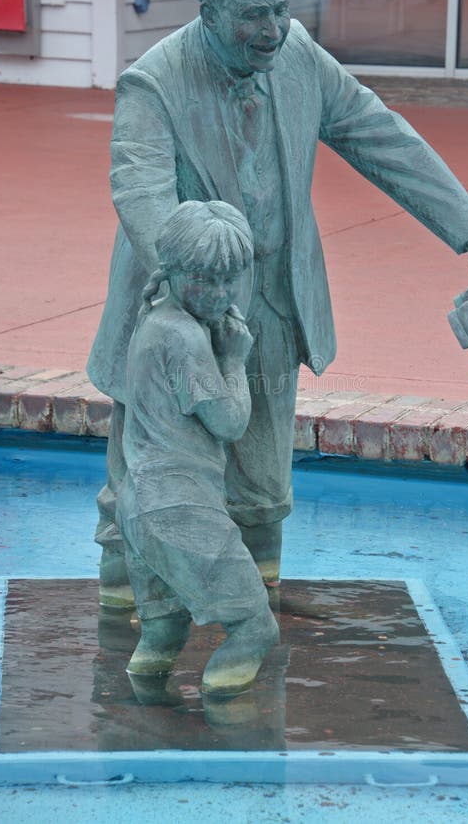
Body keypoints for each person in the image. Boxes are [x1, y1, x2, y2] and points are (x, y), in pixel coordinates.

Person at [87, 0, 468, 612]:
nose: (273, 31)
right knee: (140, 489)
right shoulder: (154, 81)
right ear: (209, 13)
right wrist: (199, 281)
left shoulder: (298, 57)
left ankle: (256, 632)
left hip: (274, 303)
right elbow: (140, 194)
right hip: (175, 312)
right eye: (256, 15)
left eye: (283, 11)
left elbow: (382, 136)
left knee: (262, 492)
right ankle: (124, 619)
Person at [117, 199, 279, 695]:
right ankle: (227, 725)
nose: (221, 294)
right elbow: (229, 422)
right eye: (205, 280)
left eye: (231, 280)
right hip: (181, 507)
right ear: (172, 270)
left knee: (163, 631)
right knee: (256, 628)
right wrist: (235, 360)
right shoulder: (185, 336)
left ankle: (144, 721)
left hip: (138, 504)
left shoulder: (156, 319)